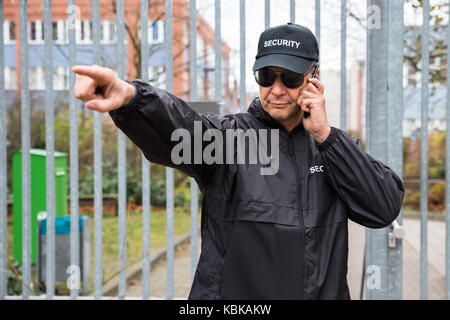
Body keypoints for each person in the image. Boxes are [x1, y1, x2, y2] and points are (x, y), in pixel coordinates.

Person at [73, 23, 404, 300]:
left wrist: (327, 136)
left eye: (289, 78)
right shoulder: (229, 138)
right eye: (266, 76)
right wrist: (132, 98)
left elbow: (383, 208)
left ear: (313, 76)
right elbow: (181, 123)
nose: (276, 89)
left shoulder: (334, 147)